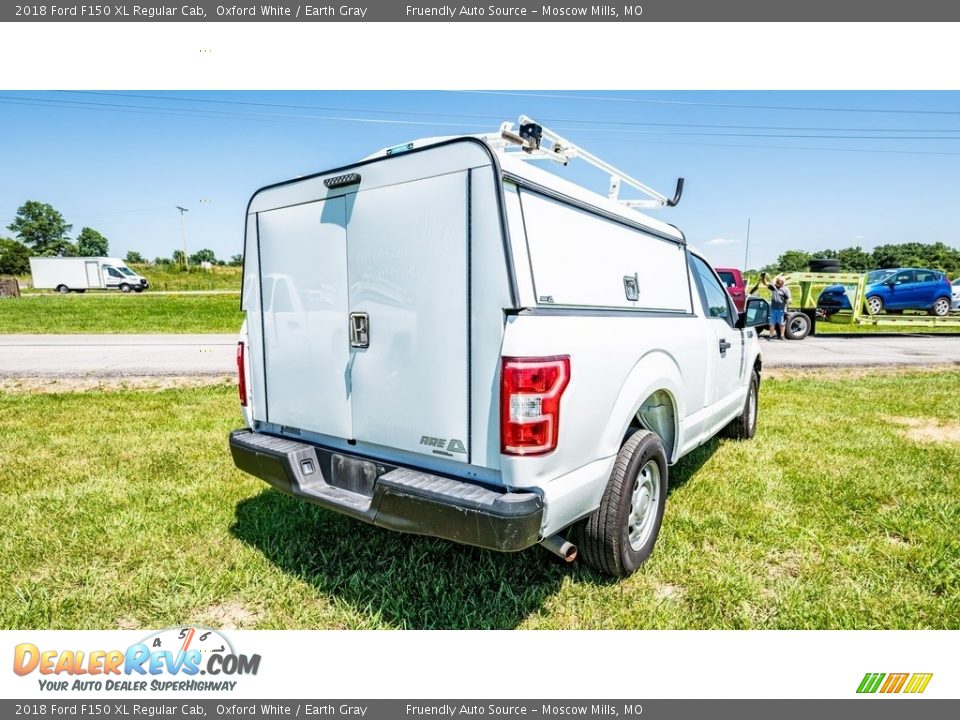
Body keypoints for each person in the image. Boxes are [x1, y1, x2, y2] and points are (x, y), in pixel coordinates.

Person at [749, 272, 792, 339]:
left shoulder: (786, 289)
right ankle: (770, 335)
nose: (780, 282)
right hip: (773, 308)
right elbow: (765, 283)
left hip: (781, 309)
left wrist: (788, 301)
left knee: (781, 323)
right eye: (779, 281)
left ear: (783, 282)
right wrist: (763, 277)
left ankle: (782, 336)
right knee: (772, 323)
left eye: (781, 281)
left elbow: (789, 298)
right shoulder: (774, 287)